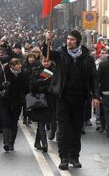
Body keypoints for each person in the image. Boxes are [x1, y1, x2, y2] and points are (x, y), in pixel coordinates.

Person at [43, 30, 100, 170]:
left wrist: (96, 96)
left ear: (78, 41)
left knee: (76, 129)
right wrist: (47, 40)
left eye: (72, 39)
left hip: (80, 98)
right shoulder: (61, 54)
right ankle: (63, 158)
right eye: (68, 39)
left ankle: (74, 157)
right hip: (63, 97)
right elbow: (46, 52)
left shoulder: (87, 58)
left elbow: (94, 78)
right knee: (63, 129)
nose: (69, 42)